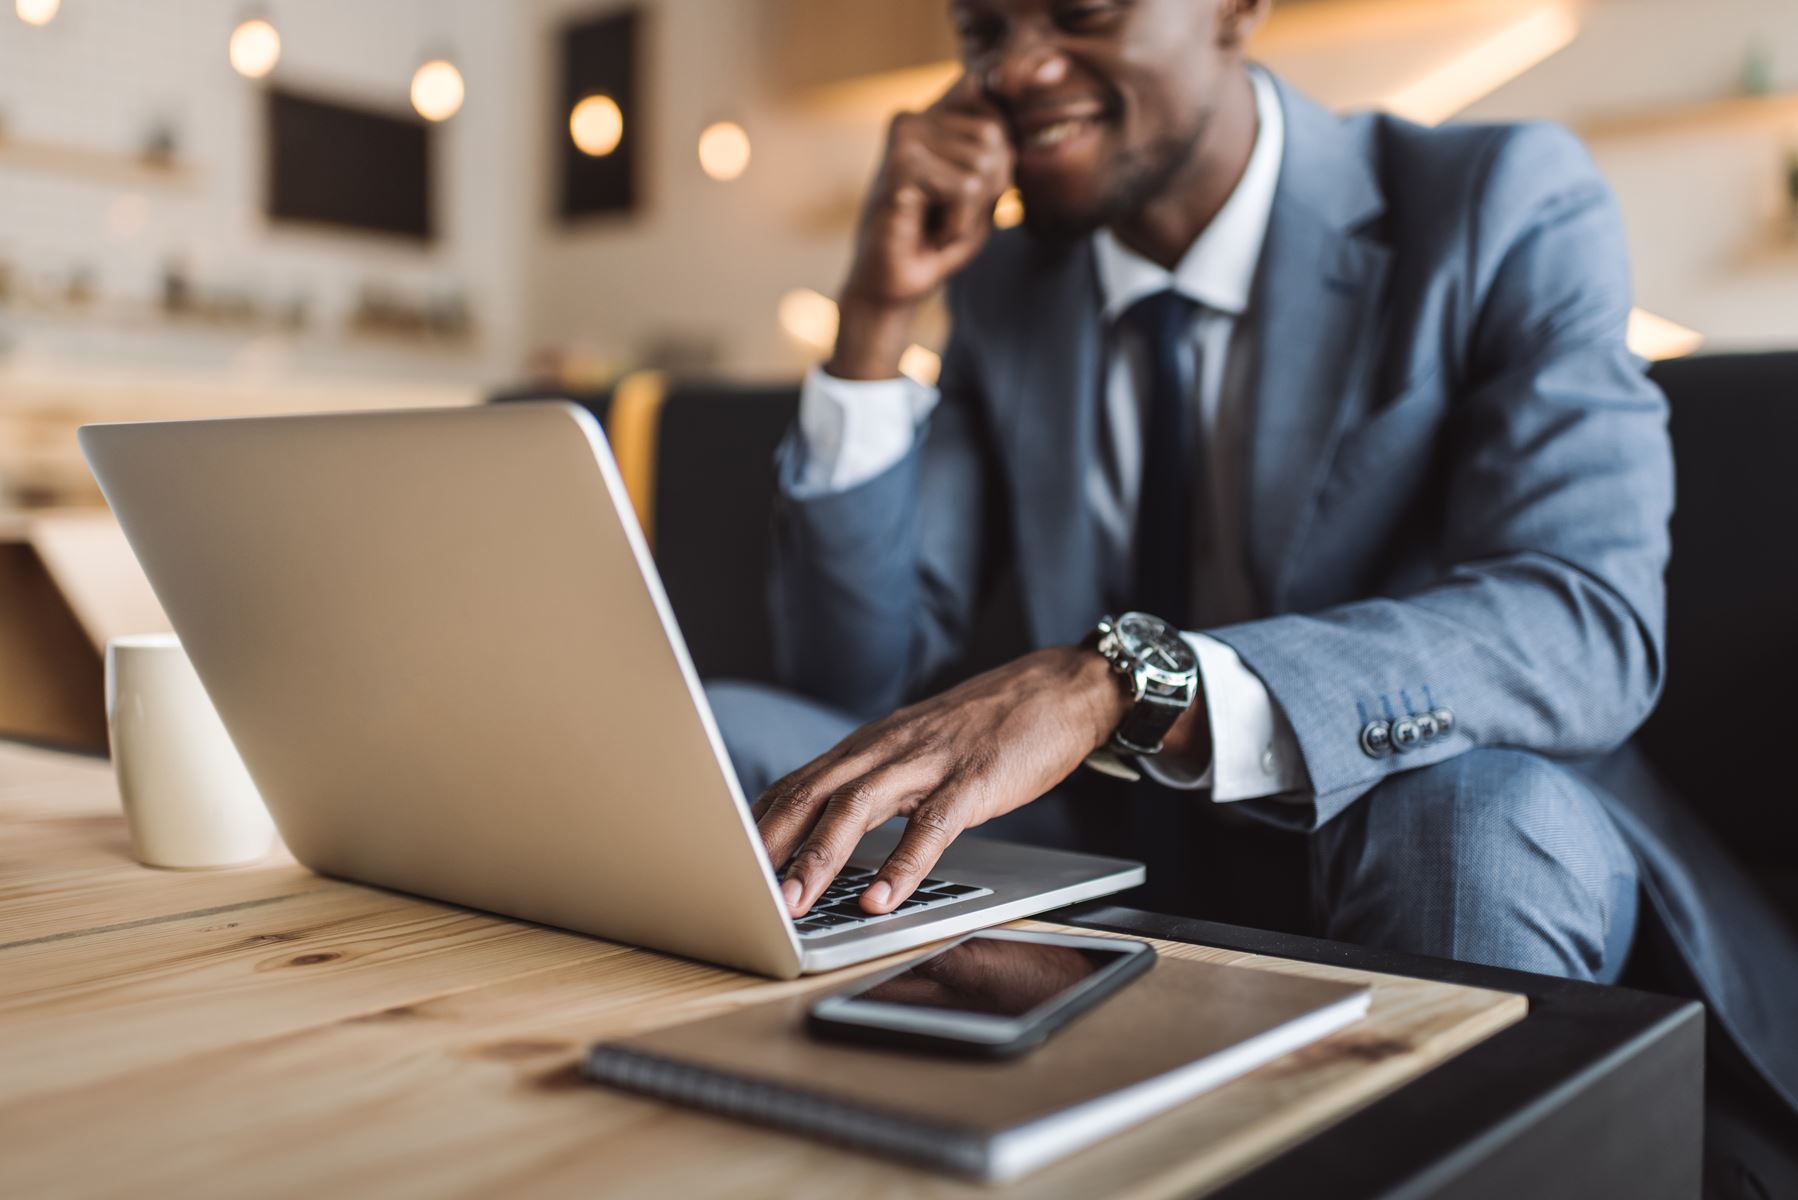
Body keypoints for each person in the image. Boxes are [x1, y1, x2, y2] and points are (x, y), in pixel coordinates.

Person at [706, 0, 1795, 1149]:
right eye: (982, 25)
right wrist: (874, 320)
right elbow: (853, 675)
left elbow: (1585, 624)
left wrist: (1126, 683)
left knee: (1467, 819)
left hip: (1416, 846)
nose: (1017, 68)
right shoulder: (1008, 285)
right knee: (735, 739)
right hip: (1110, 854)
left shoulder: (1500, 197)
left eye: (1080, 11)